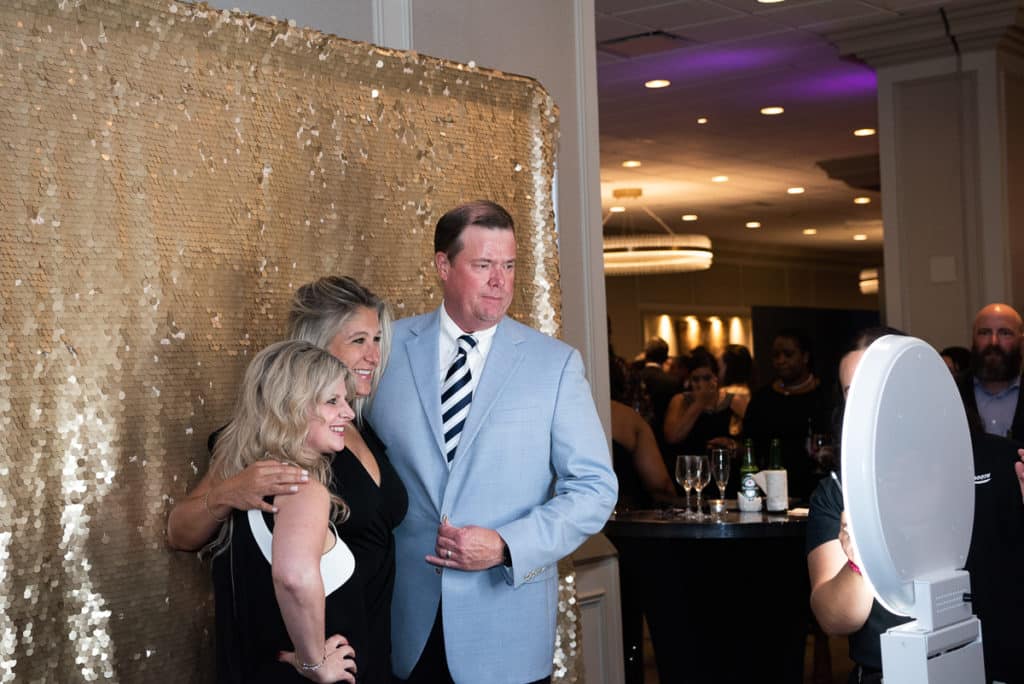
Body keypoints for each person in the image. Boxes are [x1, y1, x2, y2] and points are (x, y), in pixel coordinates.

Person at [369, 200, 617, 684]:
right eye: (483, 265)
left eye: (509, 265)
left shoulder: (555, 364)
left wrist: (507, 545)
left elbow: (594, 490)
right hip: (402, 624)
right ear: (443, 265)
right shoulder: (385, 350)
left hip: (507, 631)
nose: (500, 281)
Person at [167, 276, 407, 684]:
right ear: (314, 347)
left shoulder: (358, 428)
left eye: (377, 340)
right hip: (311, 659)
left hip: (368, 649)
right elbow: (179, 532)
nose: (373, 355)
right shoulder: (261, 445)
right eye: (358, 341)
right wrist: (228, 493)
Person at [808, 327, 1024, 684]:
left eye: (877, 386)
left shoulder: (999, 463)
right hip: (888, 673)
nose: (867, 403)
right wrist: (860, 561)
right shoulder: (839, 491)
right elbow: (834, 620)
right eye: (854, 393)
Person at [202, 340, 360, 683]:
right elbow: (294, 578)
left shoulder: (250, 482)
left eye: (345, 400)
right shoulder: (301, 490)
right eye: (332, 401)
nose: (348, 413)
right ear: (292, 407)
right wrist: (315, 664)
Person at [742, 328, 831, 501]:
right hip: (771, 491)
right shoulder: (763, 398)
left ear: (805, 357)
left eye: (788, 354)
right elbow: (750, 442)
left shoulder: (824, 396)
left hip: (815, 490)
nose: (781, 360)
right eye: (776, 355)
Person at [662, 353, 742, 483]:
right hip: (691, 474)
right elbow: (672, 437)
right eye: (696, 379)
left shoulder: (733, 401)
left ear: (716, 378)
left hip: (725, 473)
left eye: (706, 378)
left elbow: (751, 440)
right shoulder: (680, 401)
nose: (701, 384)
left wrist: (731, 444)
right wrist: (699, 403)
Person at [957, 303, 1024, 437]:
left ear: (1021, 342)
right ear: (973, 339)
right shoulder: (952, 391)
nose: (994, 342)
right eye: (984, 333)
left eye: (1005, 333)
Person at [719, 344, 754, 436]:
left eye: (719, 367)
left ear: (729, 367)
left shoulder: (725, 394)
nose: (717, 372)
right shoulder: (754, 390)